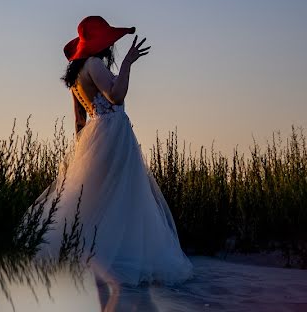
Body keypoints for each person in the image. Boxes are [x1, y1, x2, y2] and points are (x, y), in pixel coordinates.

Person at [20, 15, 193, 287]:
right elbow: (116, 95)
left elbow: (79, 121)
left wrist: (83, 150)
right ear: (102, 44)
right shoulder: (94, 64)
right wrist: (127, 64)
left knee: (96, 199)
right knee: (122, 195)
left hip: (96, 137)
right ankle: (113, 258)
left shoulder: (76, 76)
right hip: (112, 134)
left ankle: (86, 254)